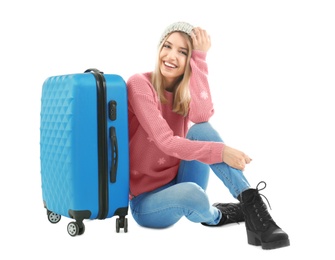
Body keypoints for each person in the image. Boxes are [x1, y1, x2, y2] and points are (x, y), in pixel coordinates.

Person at [126, 21, 290, 250]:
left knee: (201, 130)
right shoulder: (139, 84)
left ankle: (253, 209)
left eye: (183, 52)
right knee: (193, 194)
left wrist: (200, 59)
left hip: (179, 175)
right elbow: (164, 142)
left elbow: (202, 116)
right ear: (159, 48)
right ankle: (217, 216)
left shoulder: (184, 92)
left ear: (190, 59)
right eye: (167, 46)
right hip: (146, 202)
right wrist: (221, 152)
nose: (171, 56)